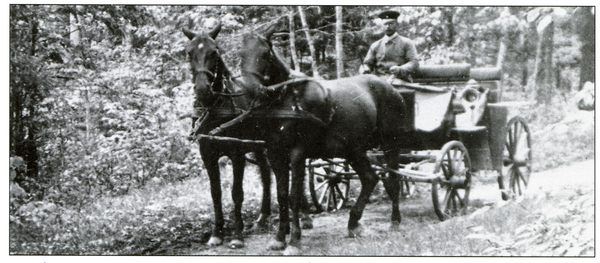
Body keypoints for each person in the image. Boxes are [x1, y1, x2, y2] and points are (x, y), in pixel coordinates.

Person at [360, 10, 419, 81]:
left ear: (397, 24)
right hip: (380, 81)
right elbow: (367, 64)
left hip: (400, 79)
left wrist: (401, 69)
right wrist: (365, 68)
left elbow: (414, 62)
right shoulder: (375, 45)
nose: (388, 27)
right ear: (382, 25)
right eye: (385, 24)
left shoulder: (407, 42)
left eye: (391, 23)